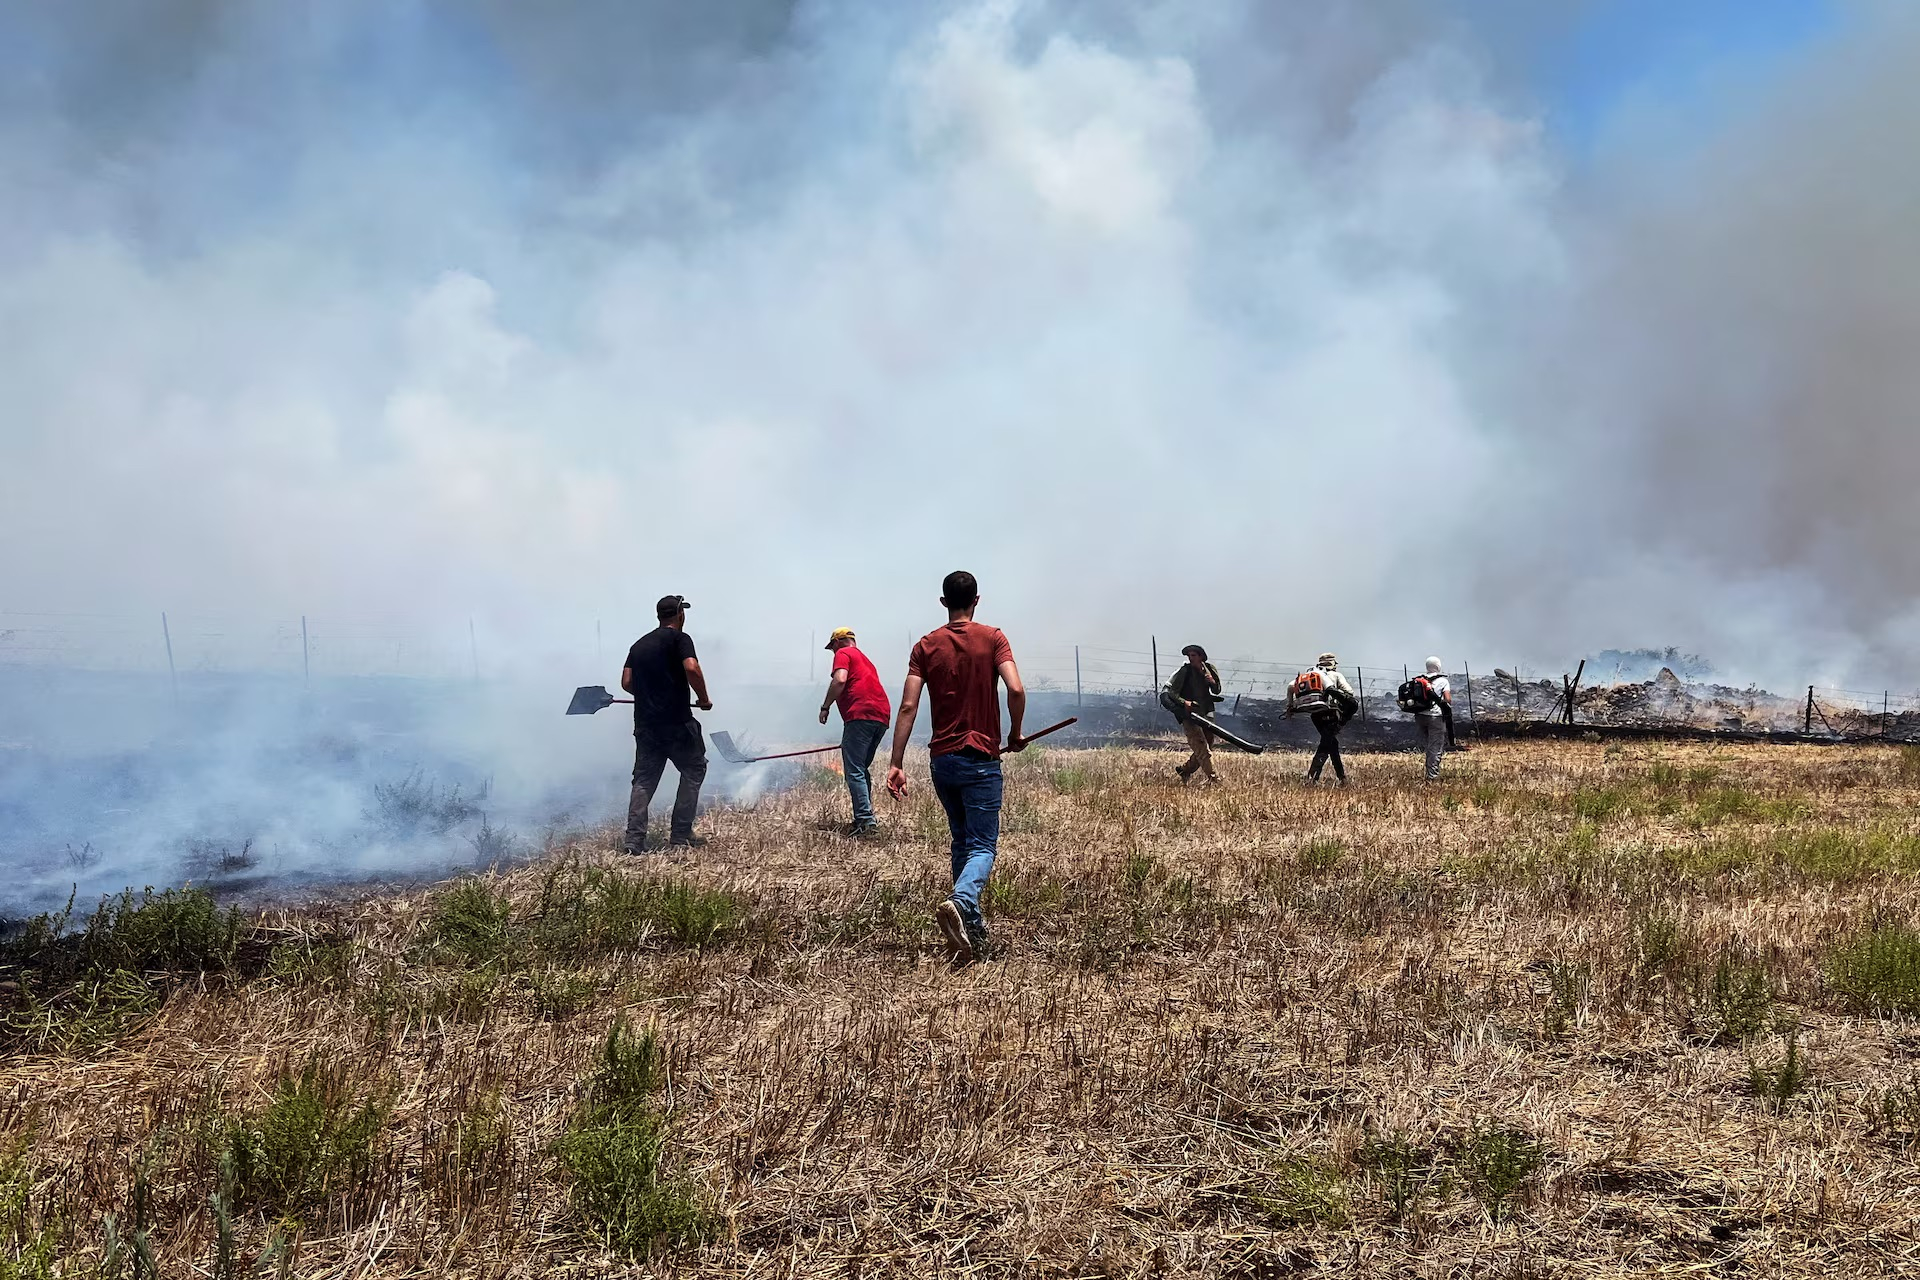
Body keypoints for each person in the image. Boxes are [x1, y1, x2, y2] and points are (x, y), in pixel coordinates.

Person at [884, 570, 1026, 965]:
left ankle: (971, 931)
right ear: (976, 600)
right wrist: (1014, 734)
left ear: (944, 602)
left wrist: (896, 763)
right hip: (981, 757)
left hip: (942, 761)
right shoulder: (994, 638)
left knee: (962, 841)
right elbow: (1015, 689)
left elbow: (909, 706)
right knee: (982, 845)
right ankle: (962, 901)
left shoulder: (925, 646)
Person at [621, 594, 713, 853]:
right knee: (694, 769)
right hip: (677, 723)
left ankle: (633, 840)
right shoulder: (680, 639)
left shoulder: (638, 645)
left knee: (643, 781)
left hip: (646, 725)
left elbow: (627, 683)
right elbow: (692, 669)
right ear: (680, 615)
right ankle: (681, 834)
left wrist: (650, 696)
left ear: (659, 616)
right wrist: (703, 698)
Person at [817, 627, 891, 836]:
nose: (833, 652)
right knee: (861, 768)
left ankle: (865, 823)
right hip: (881, 717)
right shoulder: (866, 660)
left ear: (839, 642)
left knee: (854, 770)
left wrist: (825, 706)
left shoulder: (843, 653)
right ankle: (866, 817)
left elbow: (840, 679)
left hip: (860, 715)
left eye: (832, 647)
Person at [1290, 652, 1358, 784]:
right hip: (1331, 713)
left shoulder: (1309, 675)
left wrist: (1290, 706)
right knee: (1326, 744)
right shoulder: (1336, 675)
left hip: (1315, 715)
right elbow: (1349, 692)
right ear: (1333, 663)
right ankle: (1312, 778)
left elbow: (1291, 687)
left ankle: (1342, 778)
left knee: (1331, 743)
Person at [1162, 644, 1224, 785]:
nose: (1191, 658)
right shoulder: (1185, 671)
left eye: (1193, 655)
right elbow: (1172, 692)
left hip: (1206, 711)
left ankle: (1186, 770)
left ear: (1201, 656)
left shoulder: (1210, 669)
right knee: (1201, 746)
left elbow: (1217, 690)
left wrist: (1212, 682)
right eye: (1189, 656)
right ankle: (1214, 780)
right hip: (1189, 714)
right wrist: (1185, 702)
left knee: (1208, 743)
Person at [1402, 655, 1452, 781]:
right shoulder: (1443, 681)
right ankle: (1432, 776)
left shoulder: (1419, 680)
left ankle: (1429, 770)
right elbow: (1448, 699)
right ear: (1438, 666)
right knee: (1435, 747)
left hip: (1420, 717)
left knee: (1428, 746)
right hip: (1435, 717)